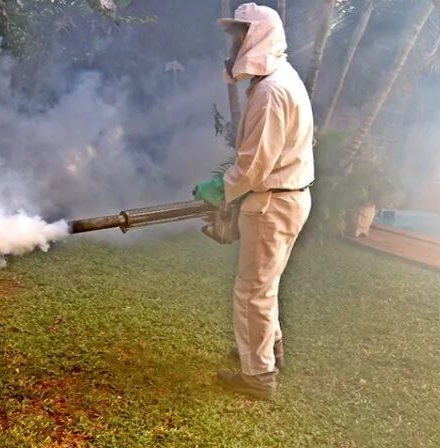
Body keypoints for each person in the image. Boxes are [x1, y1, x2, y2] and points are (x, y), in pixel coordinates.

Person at [193, 2, 314, 400]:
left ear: (258, 36)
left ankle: (258, 375)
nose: (234, 43)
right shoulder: (280, 77)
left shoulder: (271, 91)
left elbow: (254, 166)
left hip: (271, 203)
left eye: (240, 35)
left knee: (252, 290)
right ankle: (264, 350)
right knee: (266, 283)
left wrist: (220, 188)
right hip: (285, 198)